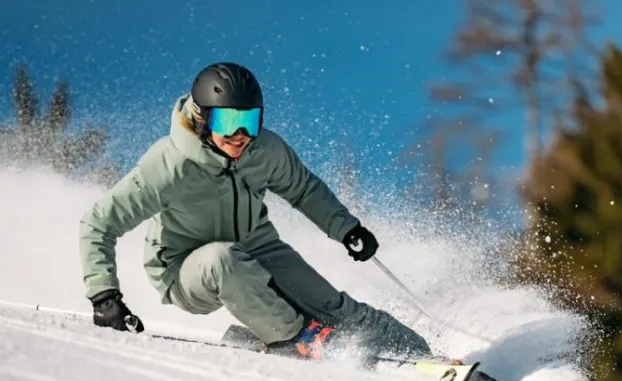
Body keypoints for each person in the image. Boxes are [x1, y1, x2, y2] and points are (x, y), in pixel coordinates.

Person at [79, 61, 431, 362]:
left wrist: (346, 229)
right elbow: (98, 223)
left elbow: (303, 189)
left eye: (249, 120)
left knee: (334, 307)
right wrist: (104, 296)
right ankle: (296, 339)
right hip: (186, 269)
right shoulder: (169, 165)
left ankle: (421, 355)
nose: (240, 134)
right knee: (222, 260)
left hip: (256, 247)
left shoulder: (264, 150)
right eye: (227, 121)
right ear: (202, 119)